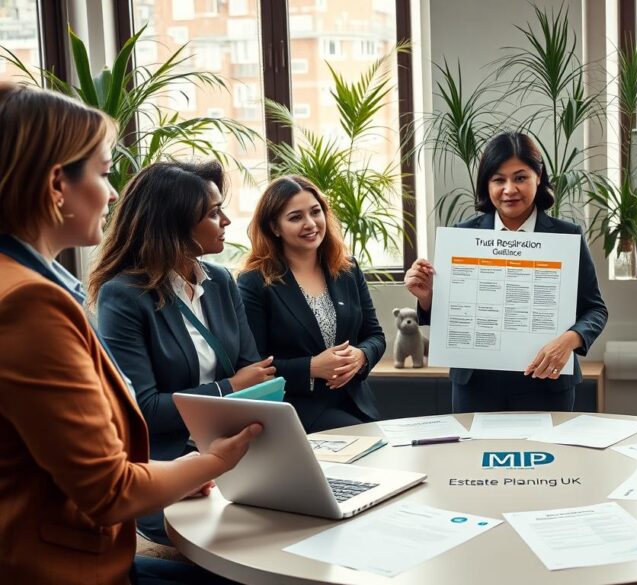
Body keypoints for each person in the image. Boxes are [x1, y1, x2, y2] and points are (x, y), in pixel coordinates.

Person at [0, 83, 259, 584]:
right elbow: (110, 490)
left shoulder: (23, 284)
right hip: (62, 570)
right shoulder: (31, 304)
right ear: (58, 185)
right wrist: (211, 462)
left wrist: (172, 476)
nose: (114, 192)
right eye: (101, 173)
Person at [90, 160, 274, 543]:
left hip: (240, 454)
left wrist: (242, 389)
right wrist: (228, 389)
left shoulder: (221, 281)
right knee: (239, 542)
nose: (225, 220)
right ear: (172, 224)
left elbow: (254, 372)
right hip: (170, 467)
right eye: (212, 213)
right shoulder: (124, 296)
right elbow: (145, 409)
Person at [403, 132, 607, 412]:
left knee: (549, 456)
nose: (509, 189)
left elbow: (595, 310)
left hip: (546, 381)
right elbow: (452, 316)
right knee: (474, 457)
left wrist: (567, 342)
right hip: (475, 385)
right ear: (486, 185)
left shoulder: (566, 236)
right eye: (499, 179)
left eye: (520, 177)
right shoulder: (463, 236)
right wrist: (428, 297)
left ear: (538, 177)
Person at [237, 176, 384, 432]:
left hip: (355, 402)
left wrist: (361, 356)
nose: (310, 224)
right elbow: (252, 365)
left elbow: (375, 336)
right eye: (295, 217)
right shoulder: (255, 282)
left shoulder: (348, 270)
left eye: (316, 212)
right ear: (274, 227)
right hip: (296, 410)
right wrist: (311, 368)